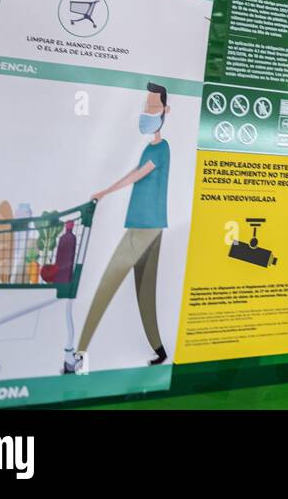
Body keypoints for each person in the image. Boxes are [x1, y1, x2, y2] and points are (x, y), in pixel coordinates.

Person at [76, 83, 171, 368]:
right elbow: (134, 173)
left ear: (166, 111)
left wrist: (105, 191)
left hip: (145, 226)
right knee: (145, 292)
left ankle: (78, 352)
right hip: (151, 225)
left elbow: (136, 176)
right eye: (146, 107)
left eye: (153, 107)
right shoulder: (150, 148)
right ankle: (160, 350)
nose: (147, 112)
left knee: (108, 282)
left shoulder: (161, 149)